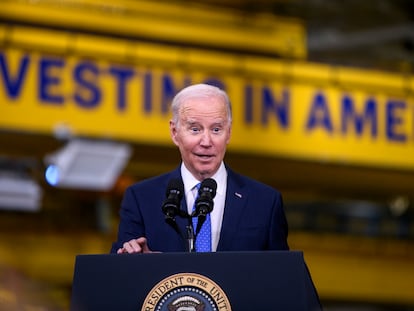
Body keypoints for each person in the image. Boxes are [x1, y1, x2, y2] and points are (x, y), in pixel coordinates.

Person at [110, 83, 289, 254]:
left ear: (229, 132)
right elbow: (121, 270)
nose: (206, 142)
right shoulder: (141, 198)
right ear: (174, 132)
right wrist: (141, 263)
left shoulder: (265, 202)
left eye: (216, 129)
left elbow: (283, 276)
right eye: (195, 129)